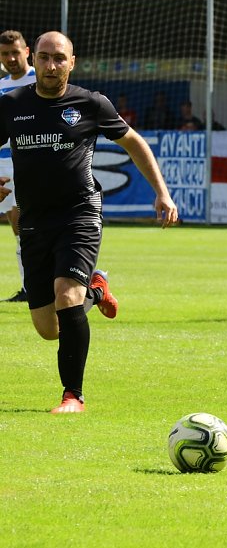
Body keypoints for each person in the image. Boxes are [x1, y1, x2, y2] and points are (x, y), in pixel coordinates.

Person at [0, 31, 178, 414]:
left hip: (79, 214)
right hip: (33, 221)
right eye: (45, 57)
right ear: (36, 59)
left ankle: (73, 396)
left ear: (72, 62)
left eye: (59, 58)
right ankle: (97, 290)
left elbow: (134, 142)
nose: (51, 66)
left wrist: (162, 193)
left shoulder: (91, 103)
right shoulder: (12, 104)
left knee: (67, 296)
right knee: (49, 329)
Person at [0, 30, 35, 303]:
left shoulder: (39, 79)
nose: (11, 58)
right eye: (5, 54)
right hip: (4, 164)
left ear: (27, 52)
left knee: (27, 223)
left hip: (30, 162)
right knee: (17, 226)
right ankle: (29, 286)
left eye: (15, 52)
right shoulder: (1, 86)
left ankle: (33, 286)